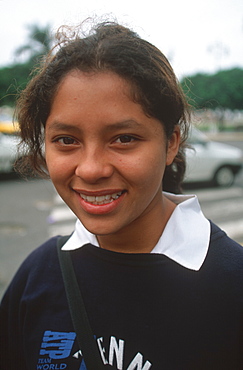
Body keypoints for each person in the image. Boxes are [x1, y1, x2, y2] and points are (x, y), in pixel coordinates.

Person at [0, 21, 242, 370]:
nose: (91, 169)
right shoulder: (38, 275)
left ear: (171, 142)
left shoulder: (232, 288)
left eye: (124, 139)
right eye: (66, 140)